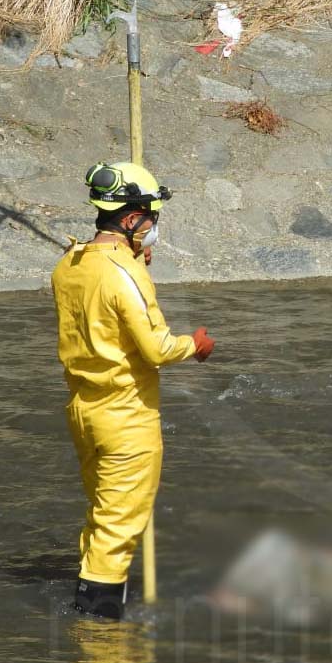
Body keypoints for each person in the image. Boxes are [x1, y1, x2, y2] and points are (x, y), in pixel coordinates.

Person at [51, 161, 215, 620]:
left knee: (101, 516)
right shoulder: (124, 273)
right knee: (118, 528)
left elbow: (103, 310)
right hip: (126, 417)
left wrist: (131, 263)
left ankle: (88, 608)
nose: (156, 226)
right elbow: (157, 350)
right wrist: (195, 346)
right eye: (153, 217)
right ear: (130, 219)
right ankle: (100, 638)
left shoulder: (70, 263)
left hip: (84, 410)